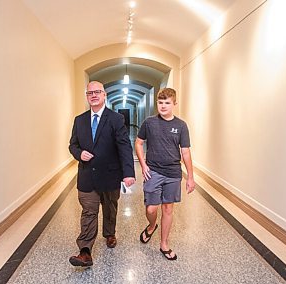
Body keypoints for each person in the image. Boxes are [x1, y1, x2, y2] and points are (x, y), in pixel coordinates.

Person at [68, 81, 136, 267]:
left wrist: (128, 172)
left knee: (110, 208)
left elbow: (124, 146)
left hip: (110, 174)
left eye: (97, 92)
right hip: (87, 175)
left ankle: (109, 233)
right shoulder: (79, 120)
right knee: (88, 212)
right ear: (87, 96)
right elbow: (72, 145)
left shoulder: (115, 119)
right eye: (90, 93)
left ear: (104, 95)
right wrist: (79, 153)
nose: (94, 95)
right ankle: (85, 251)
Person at [135, 88, 195, 260]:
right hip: (153, 171)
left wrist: (190, 177)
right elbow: (138, 144)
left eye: (167, 103)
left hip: (173, 173)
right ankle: (151, 225)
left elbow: (186, 153)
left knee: (168, 208)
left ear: (174, 104)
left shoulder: (181, 126)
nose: (163, 106)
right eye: (160, 103)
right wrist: (144, 165)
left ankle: (164, 244)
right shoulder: (149, 123)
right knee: (151, 208)